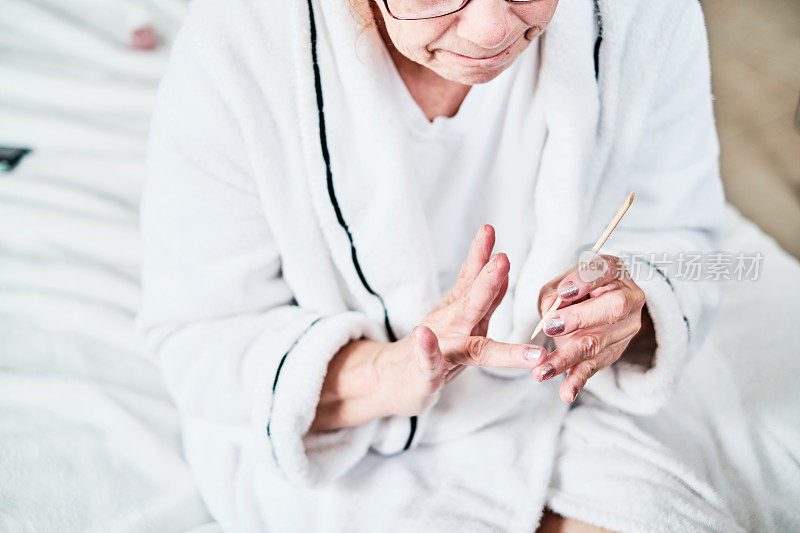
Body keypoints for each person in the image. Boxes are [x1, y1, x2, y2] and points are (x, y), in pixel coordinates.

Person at [134, 0, 726, 530]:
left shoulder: (644, 14)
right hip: (339, 448)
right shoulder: (241, 43)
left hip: (564, 414)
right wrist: (386, 374)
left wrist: (635, 304)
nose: (493, 26)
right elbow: (198, 335)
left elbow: (696, 247)